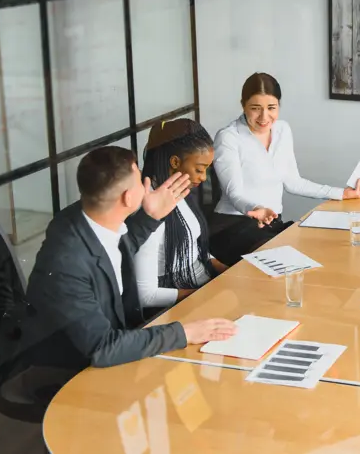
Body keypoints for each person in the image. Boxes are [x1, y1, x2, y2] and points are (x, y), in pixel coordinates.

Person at [24, 146, 237, 380]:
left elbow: (121, 249)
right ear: (127, 197)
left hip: (114, 344)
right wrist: (185, 333)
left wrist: (150, 216)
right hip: (74, 370)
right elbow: (102, 348)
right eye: (139, 181)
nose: (147, 184)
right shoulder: (67, 265)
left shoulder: (92, 218)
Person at [210, 72, 360, 264]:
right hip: (233, 225)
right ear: (243, 105)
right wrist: (256, 208)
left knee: (324, 248)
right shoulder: (229, 137)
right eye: (255, 108)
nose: (264, 117)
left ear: (279, 105)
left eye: (271, 108)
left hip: (270, 224)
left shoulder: (282, 130)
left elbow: (293, 182)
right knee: (284, 261)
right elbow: (233, 193)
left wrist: (342, 193)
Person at [135, 119, 228, 310]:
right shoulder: (150, 211)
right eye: (199, 169)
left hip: (204, 285)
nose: (203, 178)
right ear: (175, 162)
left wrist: (227, 270)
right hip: (181, 300)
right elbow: (146, 295)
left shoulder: (179, 192)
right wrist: (205, 295)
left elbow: (191, 245)